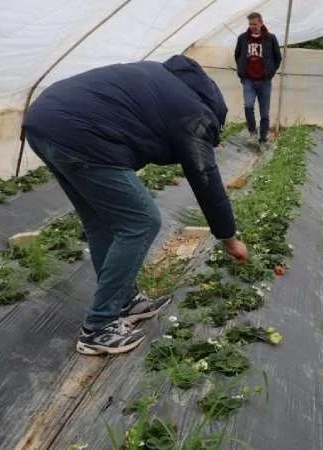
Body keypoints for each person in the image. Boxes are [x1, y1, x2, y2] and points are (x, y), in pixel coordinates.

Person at [22, 55, 248, 356]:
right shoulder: (194, 115)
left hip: (44, 123)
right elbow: (206, 179)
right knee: (142, 220)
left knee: (102, 221)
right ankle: (98, 327)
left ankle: (125, 301)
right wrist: (229, 238)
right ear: (213, 115)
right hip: (80, 135)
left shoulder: (164, 81)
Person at [234, 12, 282, 149]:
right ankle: (252, 132)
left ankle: (263, 139)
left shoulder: (270, 38)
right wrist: (242, 72)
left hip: (264, 81)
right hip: (248, 80)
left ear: (261, 23)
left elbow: (278, 58)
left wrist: (270, 72)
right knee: (248, 106)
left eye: (254, 24)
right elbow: (237, 55)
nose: (252, 26)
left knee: (264, 112)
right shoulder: (243, 38)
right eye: (250, 24)